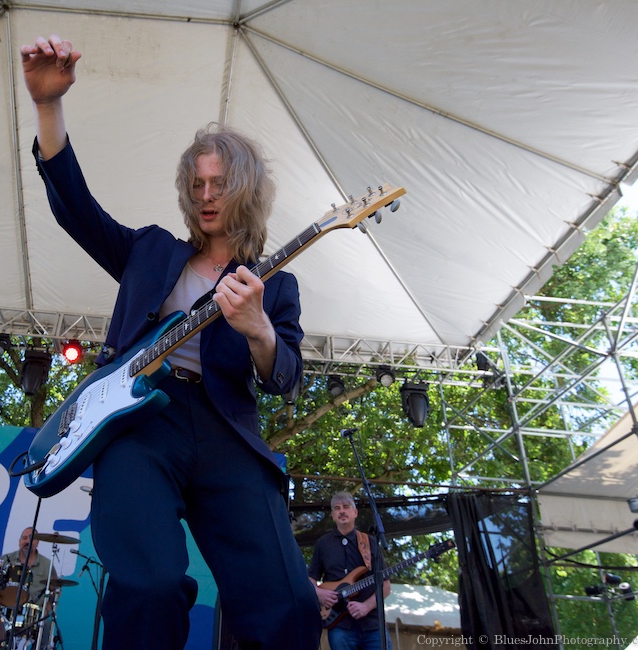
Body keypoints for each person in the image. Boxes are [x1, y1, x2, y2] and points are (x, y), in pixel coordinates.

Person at [20, 34, 321, 650]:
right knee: (150, 587)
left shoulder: (275, 284)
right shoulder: (150, 249)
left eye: (220, 184)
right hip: (138, 428)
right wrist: (49, 107)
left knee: (288, 604)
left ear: (247, 191)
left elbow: (284, 375)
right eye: (197, 184)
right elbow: (74, 207)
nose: (206, 196)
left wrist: (259, 329)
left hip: (225, 429)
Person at [309, 491, 391, 650]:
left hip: (373, 625)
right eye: (337, 508)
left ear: (355, 513)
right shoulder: (323, 544)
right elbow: (310, 580)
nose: (342, 511)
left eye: (346, 507)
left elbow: (385, 586)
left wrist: (366, 606)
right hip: (339, 626)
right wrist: (319, 594)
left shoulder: (370, 542)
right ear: (333, 515)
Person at [0, 527, 58, 613]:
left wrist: (47, 609)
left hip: (33, 614)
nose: (27, 542)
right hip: (6, 609)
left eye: (32, 539)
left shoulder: (47, 564)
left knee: (46, 625)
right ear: (19, 541)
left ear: (37, 543)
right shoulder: (6, 559)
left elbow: (55, 589)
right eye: (24, 538)